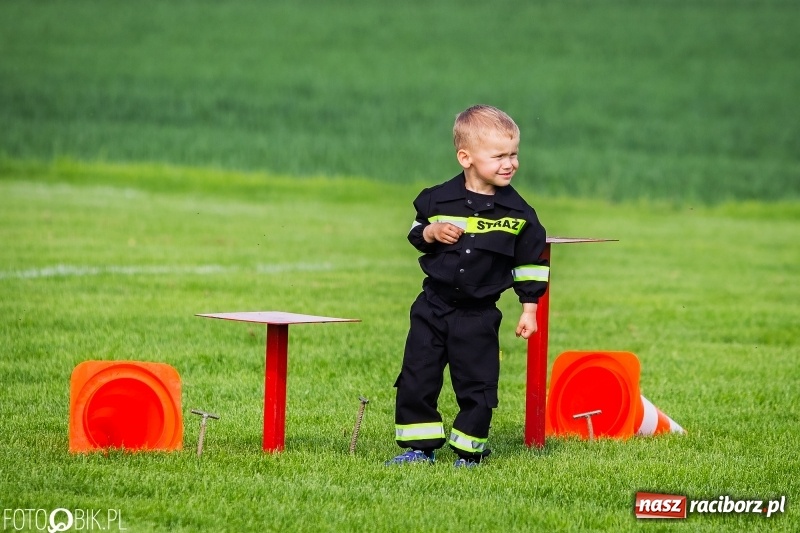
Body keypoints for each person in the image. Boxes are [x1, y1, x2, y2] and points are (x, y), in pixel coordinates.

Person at [385, 105, 550, 468]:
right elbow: (416, 232)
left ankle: (470, 451)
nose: (510, 163)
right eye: (499, 156)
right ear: (466, 158)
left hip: (478, 315)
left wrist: (529, 309)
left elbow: (531, 264)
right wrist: (430, 232)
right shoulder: (437, 199)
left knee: (477, 384)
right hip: (432, 307)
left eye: (514, 154)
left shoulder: (520, 215)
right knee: (417, 375)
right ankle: (418, 447)